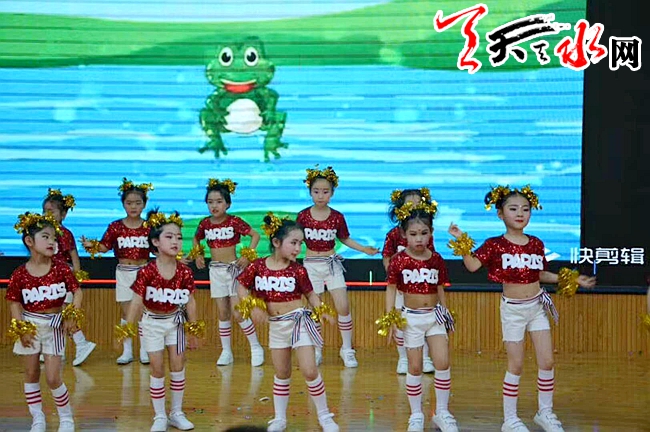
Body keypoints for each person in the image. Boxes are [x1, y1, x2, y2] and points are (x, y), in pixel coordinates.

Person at [448, 185, 596, 432]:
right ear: (500, 213)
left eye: (525, 209)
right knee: (515, 365)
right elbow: (472, 265)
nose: (520, 214)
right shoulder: (495, 244)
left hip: (536, 307)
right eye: (513, 209)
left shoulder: (536, 243)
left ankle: (545, 412)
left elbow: (540, 274)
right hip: (513, 312)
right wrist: (461, 239)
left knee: (547, 361)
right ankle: (510, 419)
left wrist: (573, 279)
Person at [235, 213, 339, 432]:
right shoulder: (257, 266)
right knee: (282, 373)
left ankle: (325, 416)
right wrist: (252, 306)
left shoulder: (298, 270)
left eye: (301, 244)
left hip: (299, 323)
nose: (298, 248)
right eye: (293, 243)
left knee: (309, 370)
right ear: (276, 242)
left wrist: (322, 310)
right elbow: (241, 286)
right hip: (277, 326)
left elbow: (311, 294)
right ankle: (279, 418)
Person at [117, 209, 203, 432]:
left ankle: (176, 412)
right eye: (169, 236)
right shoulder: (146, 271)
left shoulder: (185, 272)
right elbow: (136, 302)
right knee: (157, 368)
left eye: (179, 237)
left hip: (176, 323)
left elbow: (191, 302)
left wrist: (193, 330)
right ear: (155, 242)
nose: (175, 241)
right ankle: (159, 416)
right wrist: (126, 331)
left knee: (178, 365)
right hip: (152, 324)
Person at [383, 200, 458, 432]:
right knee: (414, 367)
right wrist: (391, 318)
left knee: (442, 362)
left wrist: (445, 313)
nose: (419, 239)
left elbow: (440, 288)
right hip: (411, 320)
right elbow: (391, 289)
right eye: (413, 234)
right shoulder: (398, 260)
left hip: (434, 317)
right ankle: (416, 414)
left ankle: (442, 412)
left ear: (431, 233)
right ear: (404, 234)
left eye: (424, 233)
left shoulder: (436, 259)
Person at [7, 212, 85, 432]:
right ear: (29, 241)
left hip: (55, 326)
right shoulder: (19, 274)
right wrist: (21, 328)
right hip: (30, 325)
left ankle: (66, 418)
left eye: (54, 238)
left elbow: (77, 292)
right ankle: (38, 418)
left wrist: (72, 314)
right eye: (45, 237)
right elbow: (14, 303)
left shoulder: (62, 268)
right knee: (31, 373)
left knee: (52, 377)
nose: (52, 242)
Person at [297, 165, 379, 367]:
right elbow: (295, 240)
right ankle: (317, 349)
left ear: (332, 193)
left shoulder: (337, 217)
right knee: (314, 308)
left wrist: (364, 249)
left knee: (343, 306)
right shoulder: (303, 216)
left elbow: (345, 238)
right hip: (311, 265)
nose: (320, 196)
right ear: (310, 192)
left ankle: (347, 349)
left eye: (325, 191)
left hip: (331, 265)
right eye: (316, 191)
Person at [190, 178, 263, 367]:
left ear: (228, 204)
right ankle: (226, 351)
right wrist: (198, 254)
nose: (214, 206)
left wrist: (247, 255)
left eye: (219, 201)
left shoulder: (234, 221)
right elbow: (196, 238)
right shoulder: (205, 223)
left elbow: (255, 235)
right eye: (210, 202)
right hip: (215, 271)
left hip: (233, 270)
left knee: (238, 312)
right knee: (223, 312)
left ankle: (256, 347)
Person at [82, 178, 153, 365]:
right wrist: (92, 245)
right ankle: (127, 351)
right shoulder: (115, 226)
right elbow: (105, 247)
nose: (133, 207)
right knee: (126, 311)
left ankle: (145, 350)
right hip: (123, 273)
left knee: (144, 311)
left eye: (138, 203)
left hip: (144, 272)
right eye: (129, 203)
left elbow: (158, 248)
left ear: (144, 204)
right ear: (123, 204)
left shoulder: (149, 227)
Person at [383, 188, 436, 374]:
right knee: (401, 323)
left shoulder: (426, 235)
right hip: (400, 288)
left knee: (424, 322)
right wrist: (394, 279)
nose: (414, 208)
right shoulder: (393, 235)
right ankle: (403, 358)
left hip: (422, 287)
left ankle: (425, 357)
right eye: (409, 205)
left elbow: (431, 259)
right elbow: (387, 259)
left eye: (418, 204)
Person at [43, 188, 96, 366]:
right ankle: (59, 350)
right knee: (55, 314)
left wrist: (76, 278)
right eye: (45, 211)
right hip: (48, 278)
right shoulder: (42, 233)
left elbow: (74, 256)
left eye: (52, 211)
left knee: (64, 313)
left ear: (63, 214)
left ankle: (81, 343)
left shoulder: (65, 234)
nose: (47, 215)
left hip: (64, 278)